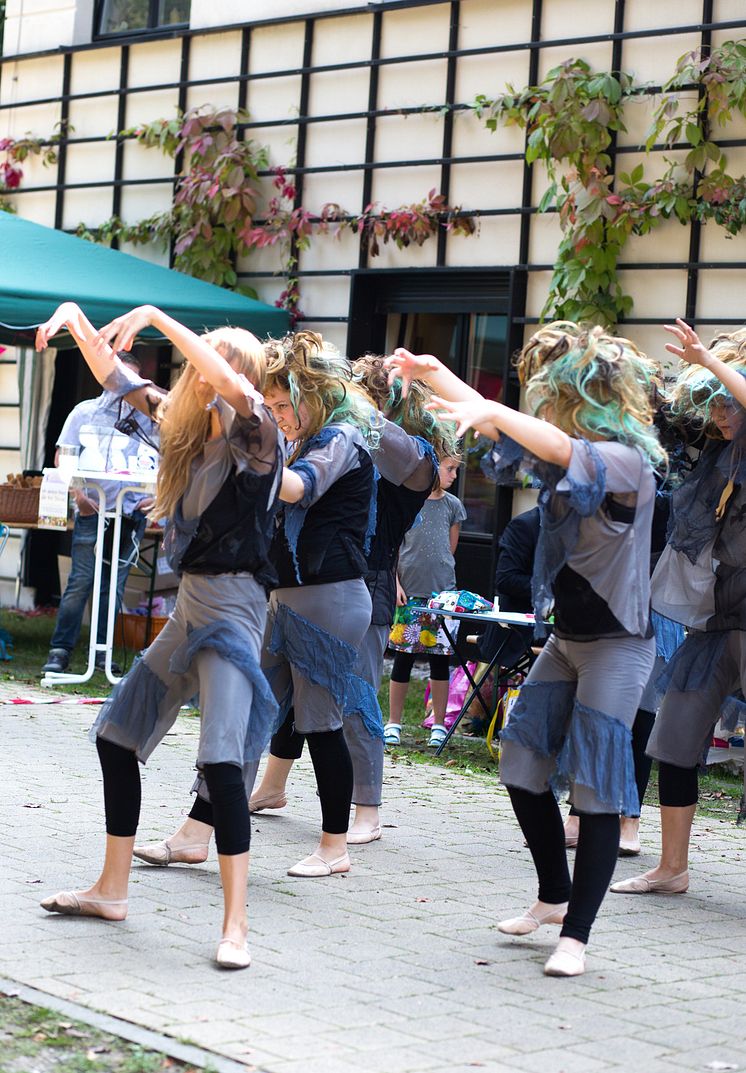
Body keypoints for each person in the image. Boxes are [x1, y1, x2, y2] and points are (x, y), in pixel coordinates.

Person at [386, 322, 666, 977]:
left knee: (597, 788)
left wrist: (492, 407)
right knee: (519, 763)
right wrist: (433, 372)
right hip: (567, 640)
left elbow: (549, 441)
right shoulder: (566, 450)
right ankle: (552, 894)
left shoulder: (629, 462)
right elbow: (503, 430)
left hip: (618, 648)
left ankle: (577, 934)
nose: (542, 409)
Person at [34, 301, 284, 971]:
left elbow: (234, 386)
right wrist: (78, 323)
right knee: (119, 736)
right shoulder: (188, 430)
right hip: (189, 609)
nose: (195, 377)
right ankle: (112, 889)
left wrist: (155, 316)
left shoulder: (258, 435)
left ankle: (236, 926)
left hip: (234, 612)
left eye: (209, 365)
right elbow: (116, 378)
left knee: (223, 763)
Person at [134, 331, 378, 878]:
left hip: (330, 600)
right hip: (279, 597)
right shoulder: (297, 436)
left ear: (313, 394)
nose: (277, 415)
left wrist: (255, 451)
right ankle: (197, 833)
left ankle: (334, 847)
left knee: (320, 722)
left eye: (283, 405)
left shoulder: (340, 439)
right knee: (244, 716)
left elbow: (298, 489)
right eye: (270, 406)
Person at [249, 356, 444, 843]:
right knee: (292, 692)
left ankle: (367, 809)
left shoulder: (403, 455)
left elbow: (414, 468)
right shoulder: (325, 443)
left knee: (352, 697)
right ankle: (272, 786)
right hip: (309, 584)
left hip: (362, 589)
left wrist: (354, 406)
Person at [611, 319, 746, 897]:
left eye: (726, 405)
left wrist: (714, 365)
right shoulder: (717, 459)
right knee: (674, 734)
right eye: (712, 405)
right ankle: (672, 868)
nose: (719, 415)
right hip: (719, 619)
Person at [41, 352, 159, 676]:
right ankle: (60, 650)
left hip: (130, 512)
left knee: (114, 585)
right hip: (92, 509)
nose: (124, 389)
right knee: (81, 580)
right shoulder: (84, 412)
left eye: (131, 382)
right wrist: (77, 494)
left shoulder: (150, 420)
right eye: (119, 379)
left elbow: (169, 462)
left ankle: (104, 654)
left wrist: (158, 495)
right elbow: (63, 456)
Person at [385, 454, 466, 749]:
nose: (455, 475)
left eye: (457, 469)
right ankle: (393, 721)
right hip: (409, 594)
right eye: (450, 469)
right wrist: (395, 584)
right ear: (433, 467)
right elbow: (393, 547)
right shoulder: (409, 501)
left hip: (442, 597)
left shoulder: (453, 506)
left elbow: (450, 549)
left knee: (440, 662)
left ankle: (440, 724)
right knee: (402, 660)